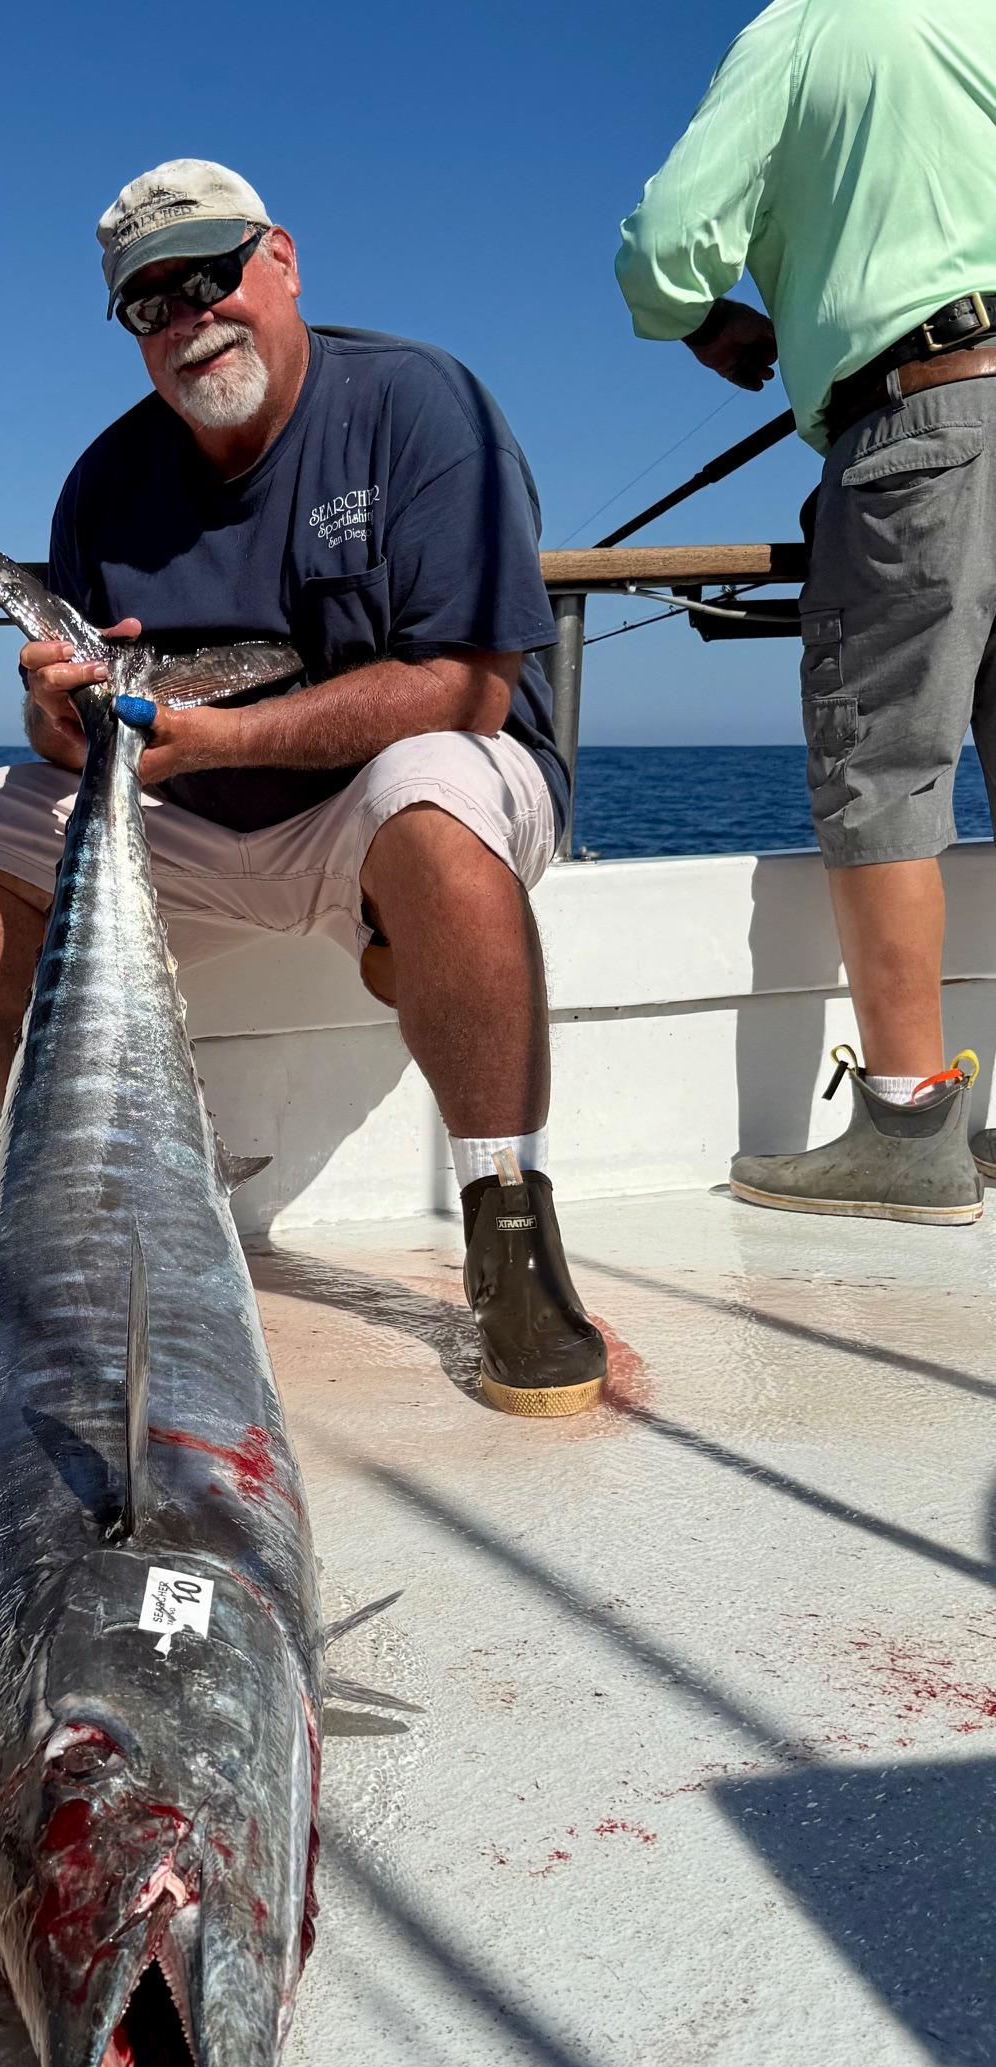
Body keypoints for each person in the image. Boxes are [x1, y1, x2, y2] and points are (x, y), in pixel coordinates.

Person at [0, 160, 607, 1416]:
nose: (187, 320)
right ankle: (44, 1204)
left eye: (208, 277)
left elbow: (469, 690)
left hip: (389, 801)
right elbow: (79, 733)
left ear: (278, 261)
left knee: (432, 789)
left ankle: (506, 1228)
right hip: (187, 808)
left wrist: (219, 738)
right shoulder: (105, 482)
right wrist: (60, 716)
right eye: (149, 306)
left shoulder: (418, 404)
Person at [617, 0, 996, 1226]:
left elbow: (666, 243)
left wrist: (705, 320)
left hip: (922, 426)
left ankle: (905, 1128)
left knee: (878, 769)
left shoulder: (811, 21)